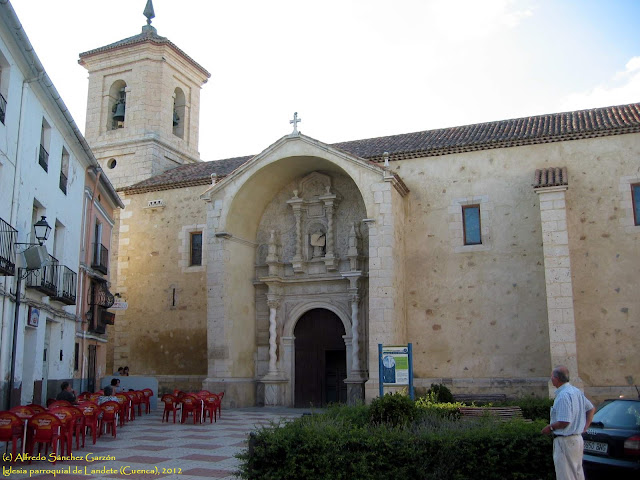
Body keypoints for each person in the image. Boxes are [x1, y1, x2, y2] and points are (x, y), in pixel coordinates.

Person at [541, 366, 596, 480]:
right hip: (577, 439)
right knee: (577, 473)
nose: (551, 379)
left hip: (565, 440)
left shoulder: (563, 396)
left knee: (566, 475)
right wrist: (585, 426)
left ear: (556, 379)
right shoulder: (576, 392)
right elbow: (591, 409)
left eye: (552, 377)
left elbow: (564, 421)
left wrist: (550, 428)